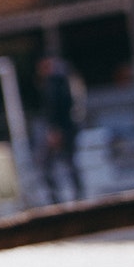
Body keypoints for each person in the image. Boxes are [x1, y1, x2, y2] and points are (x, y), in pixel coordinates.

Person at [35, 56, 85, 204]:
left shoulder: (54, 84)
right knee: (66, 161)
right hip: (66, 128)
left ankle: (59, 196)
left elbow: (56, 109)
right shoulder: (63, 81)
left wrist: (55, 130)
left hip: (60, 130)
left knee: (49, 163)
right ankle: (75, 193)